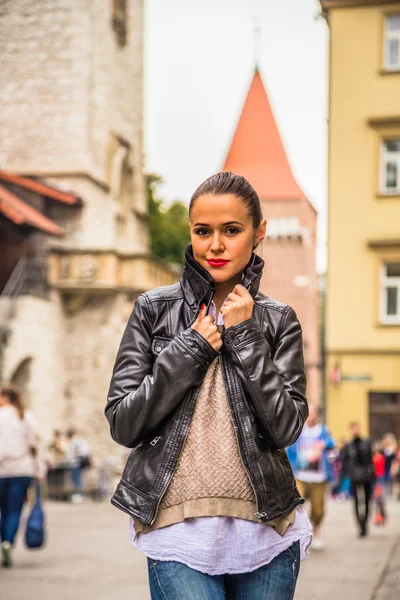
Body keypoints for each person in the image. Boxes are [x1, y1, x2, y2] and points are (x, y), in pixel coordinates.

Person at [106, 172, 312, 600]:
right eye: (203, 231)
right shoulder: (152, 310)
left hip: (266, 531)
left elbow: (286, 428)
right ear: (191, 234)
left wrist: (245, 337)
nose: (215, 245)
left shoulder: (278, 320)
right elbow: (124, 423)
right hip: (176, 531)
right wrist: (191, 349)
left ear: (259, 233)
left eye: (231, 230)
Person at [0, 383, 45, 567]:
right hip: (22, 470)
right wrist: (39, 469)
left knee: (2, 510)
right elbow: (34, 444)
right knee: (14, 510)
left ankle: (4, 539)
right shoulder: (25, 416)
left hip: (1, 470)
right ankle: (8, 542)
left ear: (4, 397)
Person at [286, 404, 335, 549]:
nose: (310, 416)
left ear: (317, 415)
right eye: (308, 413)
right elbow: (289, 448)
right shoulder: (299, 431)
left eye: (312, 413)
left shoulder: (323, 430)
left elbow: (332, 443)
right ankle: (297, 536)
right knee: (295, 505)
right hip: (301, 475)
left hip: (319, 477)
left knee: (318, 510)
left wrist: (323, 445)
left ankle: (316, 531)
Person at [342, 422, 374, 537]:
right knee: (356, 501)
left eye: (357, 428)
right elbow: (345, 461)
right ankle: (360, 525)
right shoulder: (349, 445)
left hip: (365, 476)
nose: (355, 430)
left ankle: (365, 523)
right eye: (353, 428)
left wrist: (373, 476)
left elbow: (370, 460)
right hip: (354, 476)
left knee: (366, 501)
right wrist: (344, 476)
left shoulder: (366, 443)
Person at [65, 428, 90, 503]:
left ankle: (78, 495)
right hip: (73, 464)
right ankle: (77, 495)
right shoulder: (76, 442)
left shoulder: (77, 442)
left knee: (77, 480)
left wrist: (77, 454)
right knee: (75, 480)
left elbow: (82, 452)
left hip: (76, 463)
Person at [382, 433, 397, 498]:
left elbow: (394, 460)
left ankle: (390, 493)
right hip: (384, 467)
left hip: (390, 467)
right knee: (384, 480)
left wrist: (393, 468)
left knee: (390, 480)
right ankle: (385, 493)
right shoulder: (383, 450)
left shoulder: (393, 450)